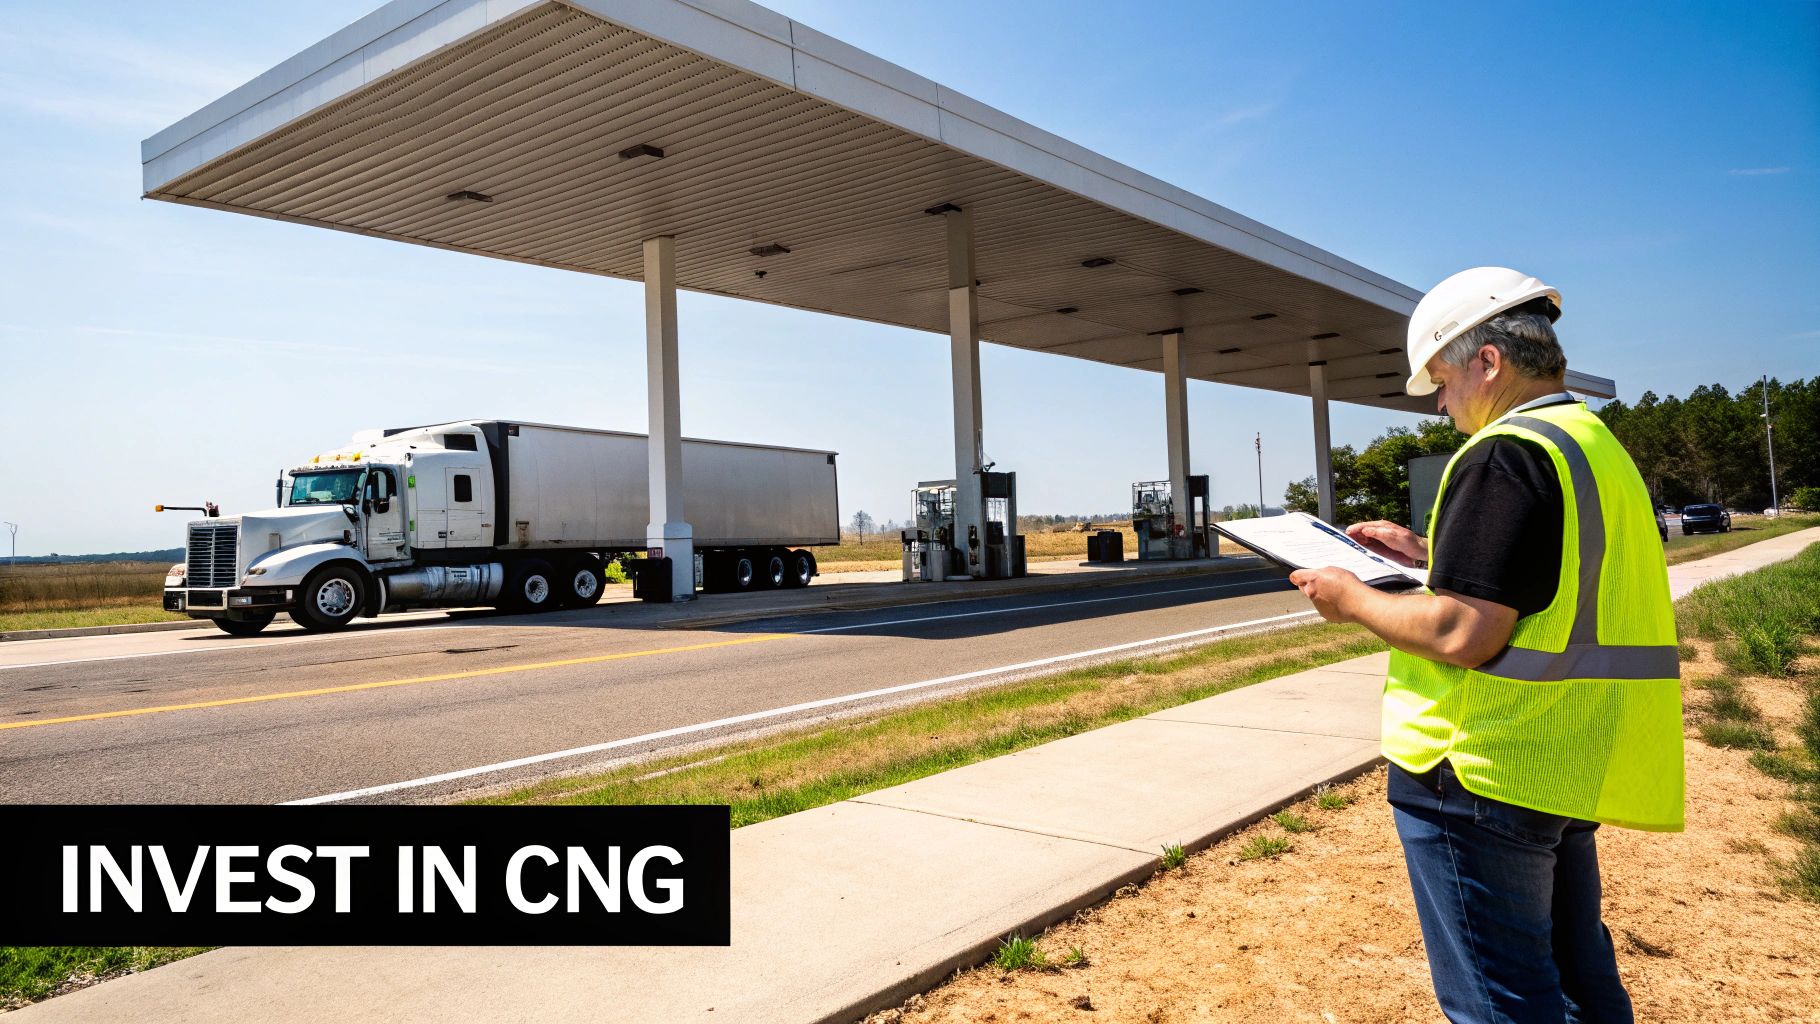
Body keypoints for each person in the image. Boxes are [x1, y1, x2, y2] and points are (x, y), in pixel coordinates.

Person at [1288, 267, 1682, 1023]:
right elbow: (1541, 579)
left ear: (1489, 362)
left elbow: (1463, 632)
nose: (1440, 403)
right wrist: (1431, 555)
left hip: (1477, 766)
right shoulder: (1590, 443)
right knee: (1579, 977)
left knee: (1503, 1002)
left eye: (1440, 380)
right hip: (1562, 756)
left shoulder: (1506, 450)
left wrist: (1350, 597)